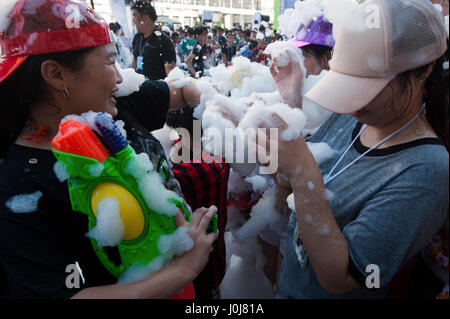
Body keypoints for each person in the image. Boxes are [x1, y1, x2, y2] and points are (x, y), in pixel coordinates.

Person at [0, 0, 216, 299]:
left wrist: (217, 104)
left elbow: (186, 90)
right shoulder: (18, 187)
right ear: (55, 74)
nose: (119, 76)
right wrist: (183, 270)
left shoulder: (114, 108)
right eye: (108, 60)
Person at [266, 0, 448, 298]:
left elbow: (341, 277)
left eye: (367, 86)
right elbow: (287, 188)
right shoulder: (349, 115)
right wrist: (290, 109)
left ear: (423, 70)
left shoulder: (427, 170)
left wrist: (303, 173)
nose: (353, 102)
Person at [130, 0, 176, 80]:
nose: (133, 20)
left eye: (134, 16)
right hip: (138, 88)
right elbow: (134, 64)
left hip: (156, 90)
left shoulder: (164, 41)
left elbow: (171, 77)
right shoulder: (137, 37)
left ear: (145, 17)